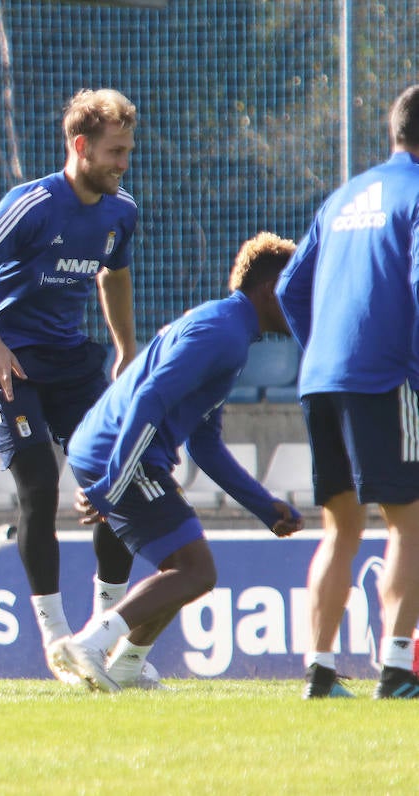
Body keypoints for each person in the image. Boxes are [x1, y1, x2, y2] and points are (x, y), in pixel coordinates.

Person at [0, 88, 142, 683]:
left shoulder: (120, 210)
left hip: (71, 360)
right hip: (9, 359)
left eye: (128, 152)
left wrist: (126, 348)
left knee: (118, 481)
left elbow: (115, 275)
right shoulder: (31, 203)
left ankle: (105, 640)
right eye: (114, 151)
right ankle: (58, 642)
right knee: (37, 485)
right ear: (80, 146)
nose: (123, 163)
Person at [53, 232, 305, 692]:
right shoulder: (224, 334)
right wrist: (112, 482)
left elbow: (204, 444)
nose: (305, 301)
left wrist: (264, 506)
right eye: (299, 289)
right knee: (196, 570)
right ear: (272, 291)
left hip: (120, 450)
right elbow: (150, 397)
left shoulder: (229, 330)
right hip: (122, 452)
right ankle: (90, 643)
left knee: (186, 568)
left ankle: (126, 666)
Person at [276, 84, 419, 700]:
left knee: (340, 528)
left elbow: (287, 287)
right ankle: (396, 670)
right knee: (410, 524)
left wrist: (323, 350)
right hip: (385, 375)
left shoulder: (342, 197)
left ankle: (320, 671)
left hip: (321, 378)